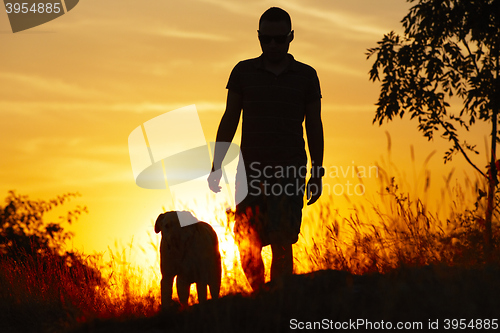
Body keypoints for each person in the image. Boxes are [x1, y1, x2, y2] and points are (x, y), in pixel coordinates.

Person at [207, 7, 324, 291]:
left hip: (290, 171)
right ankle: (261, 298)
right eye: (267, 39)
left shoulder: (306, 76)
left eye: (279, 39)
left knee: (282, 240)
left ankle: (278, 302)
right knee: (247, 240)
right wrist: (216, 164)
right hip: (250, 172)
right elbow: (230, 118)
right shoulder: (243, 72)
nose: (273, 45)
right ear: (259, 38)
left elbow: (314, 126)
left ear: (290, 37)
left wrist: (317, 173)